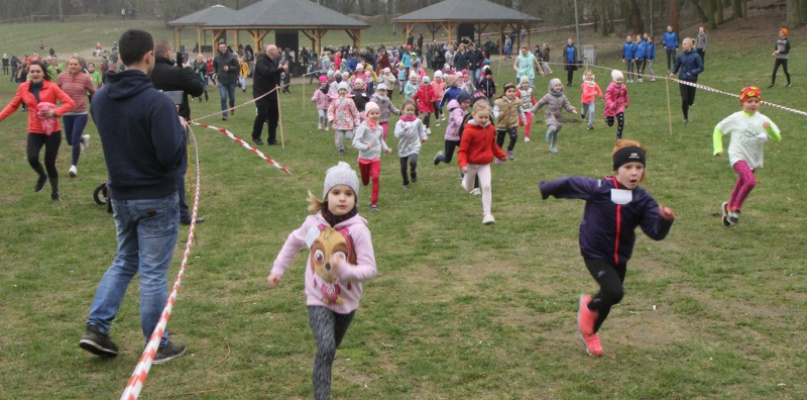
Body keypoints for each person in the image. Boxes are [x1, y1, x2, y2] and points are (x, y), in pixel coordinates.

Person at [79, 29, 188, 364]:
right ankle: (156, 344)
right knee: (153, 271)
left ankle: (96, 327)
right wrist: (178, 129)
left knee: (125, 260)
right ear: (148, 56)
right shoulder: (156, 101)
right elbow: (169, 154)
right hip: (154, 196)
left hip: (121, 196)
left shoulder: (100, 98)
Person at [539, 139, 675, 358]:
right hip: (594, 252)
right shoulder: (600, 189)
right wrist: (546, 188)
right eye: (628, 168)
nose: (634, 173)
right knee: (614, 291)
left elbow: (655, 233)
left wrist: (665, 220)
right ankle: (588, 307)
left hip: (619, 256)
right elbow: (571, 183)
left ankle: (591, 334)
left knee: (610, 298)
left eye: (639, 168)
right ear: (617, 169)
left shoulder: (643, 199)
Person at [267, 161, 377, 400]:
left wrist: (346, 270)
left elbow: (370, 269)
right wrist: (278, 269)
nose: (342, 198)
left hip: (347, 302)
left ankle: (323, 371)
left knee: (329, 350)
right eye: (336, 192)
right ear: (326, 196)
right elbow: (294, 242)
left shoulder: (358, 231)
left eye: (348, 193)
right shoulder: (315, 226)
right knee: (326, 348)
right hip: (318, 297)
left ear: (355, 199)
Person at [0, 60, 75, 201]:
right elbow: (13, 106)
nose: (35, 74)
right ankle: (42, 175)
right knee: (32, 157)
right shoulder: (23, 87)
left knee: (49, 162)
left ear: (43, 73)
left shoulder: (52, 87)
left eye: (38, 71)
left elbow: (70, 103)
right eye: (32, 71)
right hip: (34, 129)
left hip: (52, 130)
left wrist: (55, 112)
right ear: (28, 73)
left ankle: (55, 193)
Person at [150, 40, 205, 226]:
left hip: (149, 124)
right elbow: (197, 89)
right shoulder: (176, 72)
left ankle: (159, 207)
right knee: (177, 168)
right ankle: (181, 212)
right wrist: (187, 69)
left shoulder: (146, 73)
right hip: (177, 123)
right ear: (167, 53)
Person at [713, 86, 781, 226]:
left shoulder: (763, 119)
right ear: (742, 102)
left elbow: (778, 137)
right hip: (737, 156)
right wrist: (718, 148)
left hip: (753, 158)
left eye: (756, 101)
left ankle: (728, 207)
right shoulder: (736, 118)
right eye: (749, 101)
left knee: (742, 183)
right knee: (750, 181)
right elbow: (718, 130)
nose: (753, 104)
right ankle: (736, 209)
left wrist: (769, 130)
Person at [457, 100, 507, 224]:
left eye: (486, 117)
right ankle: (465, 182)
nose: (484, 120)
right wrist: (463, 165)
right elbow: (462, 150)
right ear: (473, 115)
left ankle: (487, 214)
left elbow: (493, 145)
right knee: (468, 188)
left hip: (484, 164)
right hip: (470, 165)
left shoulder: (490, 129)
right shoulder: (468, 131)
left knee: (486, 186)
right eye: (481, 117)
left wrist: (501, 155)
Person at [56, 56, 96, 178]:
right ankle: (83, 139)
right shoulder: (62, 77)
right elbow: (54, 90)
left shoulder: (85, 78)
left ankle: (73, 166)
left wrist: (97, 104)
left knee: (74, 140)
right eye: (71, 64)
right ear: (68, 64)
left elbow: (93, 92)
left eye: (76, 64)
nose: (73, 66)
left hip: (81, 113)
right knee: (69, 140)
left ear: (80, 66)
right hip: (67, 113)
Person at [352, 101, 392, 211]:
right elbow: (355, 142)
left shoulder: (379, 128)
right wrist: (365, 146)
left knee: (375, 177)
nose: (375, 115)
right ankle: (366, 176)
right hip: (364, 158)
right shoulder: (363, 127)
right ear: (367, 115)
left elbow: (380, 140)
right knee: (365, 181)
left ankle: (374, 202)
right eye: (372, 113)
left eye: (377, 113)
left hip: (375, 157)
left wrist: (386, 148)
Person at [530, 78, 578, 153]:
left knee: (556, 132)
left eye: (559, 85)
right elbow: (539, 103)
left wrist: (572, 109)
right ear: (552, 87)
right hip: (550, 114)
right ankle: (548, 134)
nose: (558, 87)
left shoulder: (563, 96)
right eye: (556, 86)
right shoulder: (548, 96)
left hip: (558, 116)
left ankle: (553, 146)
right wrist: (533, 111)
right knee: (552, 128)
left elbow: (567, 105)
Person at [252, 44, 287, 145]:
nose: (278, 52)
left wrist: (278, 84)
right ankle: (256, 136)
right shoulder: (261, 61)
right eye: (276, 50)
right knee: (262, 114)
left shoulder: (272, 61)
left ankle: (272, 139)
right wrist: (281, 69)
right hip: (261, 93)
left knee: (274, 116)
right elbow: (267, 72)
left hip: (272, 92)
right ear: (271, 52)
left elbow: (273, 75)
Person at [394, 99, 427, 189]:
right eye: (408, 110)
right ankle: (405, 182)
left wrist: (423, 137)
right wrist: (403, 130)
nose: (410, 112)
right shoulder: (400, 123)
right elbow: (396, 134)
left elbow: (421, 130)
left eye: (412, 110)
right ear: (403, 110)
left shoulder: (417, 121)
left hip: (414, 145)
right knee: (403, 168)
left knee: (413, 161)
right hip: (403, 147)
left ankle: (413, 171)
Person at [669, 38, 704, 125]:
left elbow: (701, 67)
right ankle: (685, 118)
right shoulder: (681, 56)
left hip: (692, 80)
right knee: (684, 99)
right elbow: (677, 66)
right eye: (682, 44)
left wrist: (693, 72)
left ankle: (689, 104)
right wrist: (673, 72)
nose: (683, 46)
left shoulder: (696, 56)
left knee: (690, 101)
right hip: (682, 80)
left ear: (689, 45)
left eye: (684, 44)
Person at [433, 90, 471, 167]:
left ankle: (464, 172)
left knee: (467, 152)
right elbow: (459, 121)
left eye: (468, 102)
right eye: (465, 102)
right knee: (447, 159)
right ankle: (439, 157)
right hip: (451, 137)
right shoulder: (456, 110)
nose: (467, 105)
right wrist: (470, 124)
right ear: (460, 101)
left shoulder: (464, 109)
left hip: (460, 137)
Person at [327, 82, 360, 156]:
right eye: (341, 90)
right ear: (338, 91)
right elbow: (330, 110)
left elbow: (354, 111)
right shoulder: (335, 100)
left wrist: (356, 121)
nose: (342, 91)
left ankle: (347, 134)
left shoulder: (350, 101)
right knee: (339, 138)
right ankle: (341, 149)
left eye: (344, 90)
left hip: (348, 123)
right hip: (338, 123)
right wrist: (331, 118)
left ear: (347, 91)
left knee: (348, 137)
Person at [493, 83, 522, 161]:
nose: (511, 93)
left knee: (514, 137)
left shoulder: (517, 101)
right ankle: (498, 156)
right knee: (500, 142)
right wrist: (498, 114)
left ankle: (510, 150)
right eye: (509, 91)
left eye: (513, 91)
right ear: (505, 92)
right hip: (501, 125)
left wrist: (524, 118)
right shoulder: (499, 101)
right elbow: (494, 111)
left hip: (512, 123)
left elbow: (520, 110)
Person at [212, 42, 239, 121]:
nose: (222, 49)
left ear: (226, 48)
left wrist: (229, 68)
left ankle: (232, 106)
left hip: (231, 80)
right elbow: (215, 66)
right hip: (221, 80)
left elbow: (237, 66)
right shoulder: (217, 57)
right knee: (223, 97)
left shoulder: (232, 56)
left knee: (232, 97)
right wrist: (215, 72)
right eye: (221, 47)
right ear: (219, 49)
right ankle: (225, 115)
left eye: (223, 47)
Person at [604, 70, 629, 140]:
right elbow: (607, 97)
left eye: (621, 80)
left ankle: (619, 136)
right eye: (618, 80)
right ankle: (607, 119)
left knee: (621, 121)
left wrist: (626, 102)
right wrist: (611, 104)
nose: (620, 81)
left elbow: (625, 95)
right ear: (614, 80)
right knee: (610, 124)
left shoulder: (623, 87)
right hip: (611, 107)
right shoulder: (610, 87)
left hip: (619, 106)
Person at [517, 75, 536, 141]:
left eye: (527, 83)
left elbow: (532, 99)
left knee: (528, 122)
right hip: (521, 110)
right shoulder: (519, 91)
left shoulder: (531, 90)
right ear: (521, 84)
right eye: (524, 83)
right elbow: (516, 100)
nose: (525, 84)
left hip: (529, 110)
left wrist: (535, 108)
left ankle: (526, 137)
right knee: (521, 123)